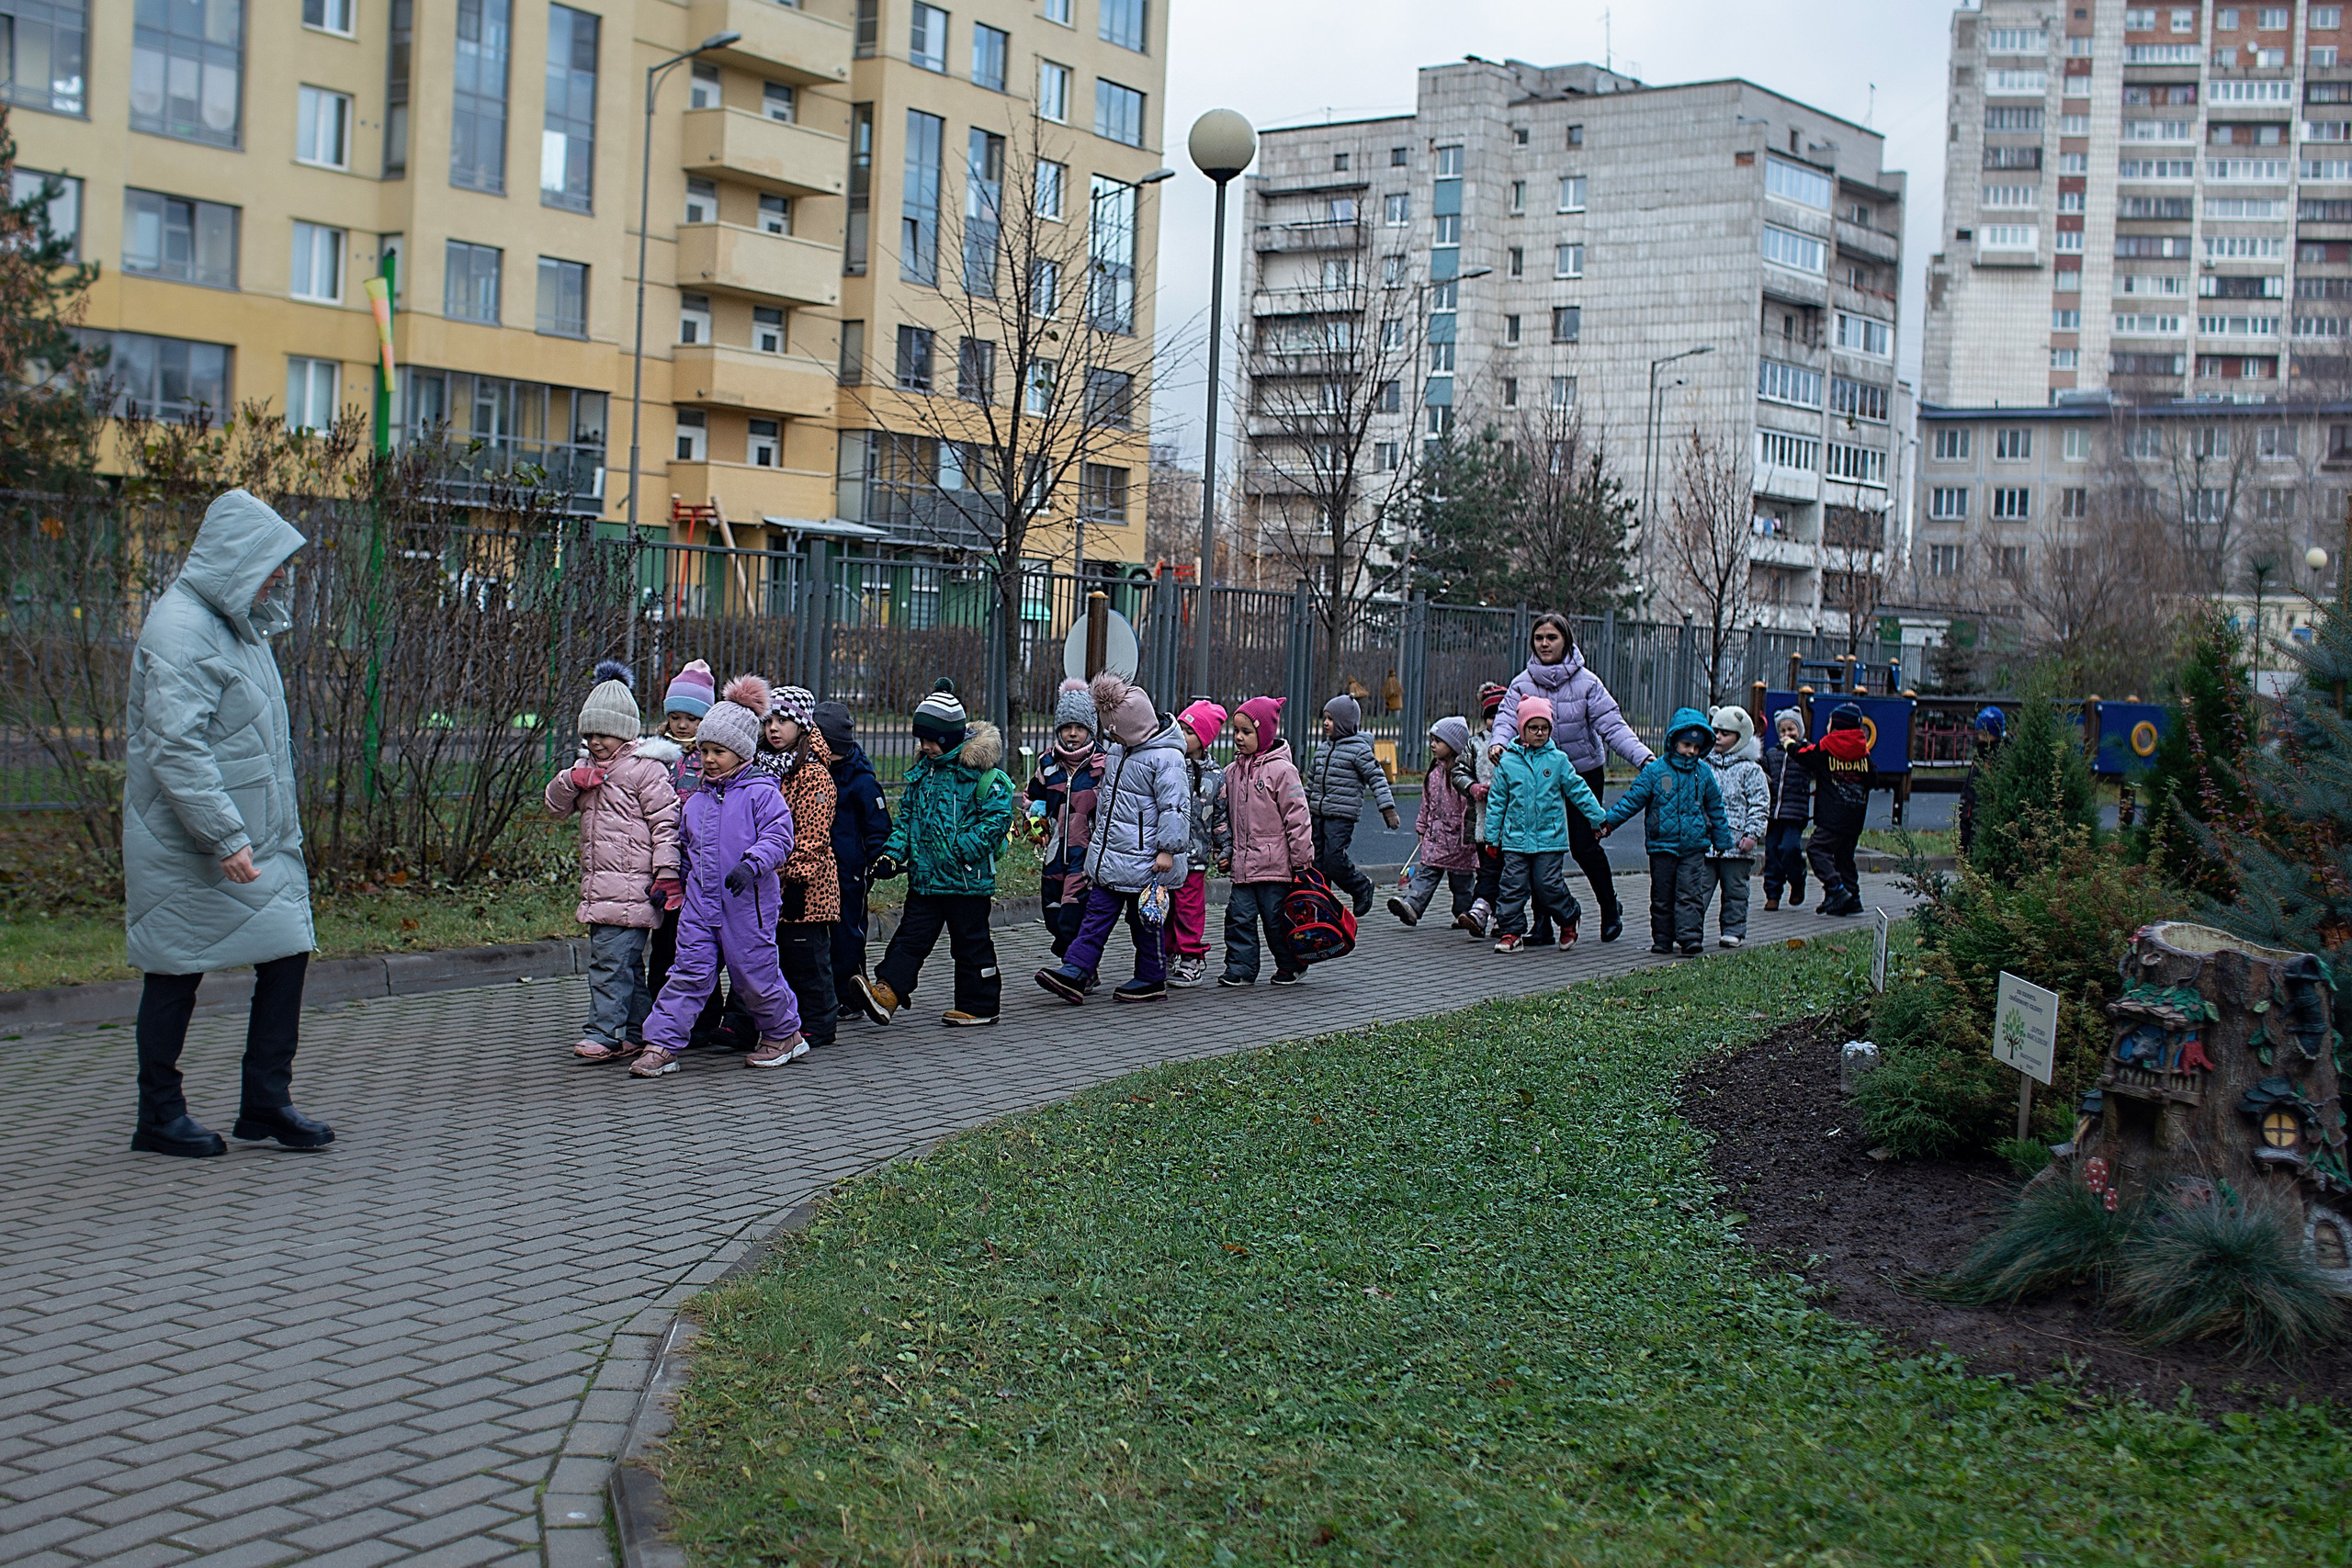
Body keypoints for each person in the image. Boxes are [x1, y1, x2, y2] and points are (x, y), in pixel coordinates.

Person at [122, 490, 329, 1156]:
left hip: (252, 836)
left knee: (286, 951)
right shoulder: (181, 630)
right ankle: (159, 1115)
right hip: (191, 840)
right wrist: (225, 836)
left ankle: (266, 1101)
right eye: (271, 562)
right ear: (235, 559)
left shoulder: (235, 625)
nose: (280, 575)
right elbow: (176, 747)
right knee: (174, 968)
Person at [634, 678, 804, 1077]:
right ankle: (661, 1044)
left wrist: (752, 864)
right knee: (687, 973)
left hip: (747, 906)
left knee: (754, 975)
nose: (709, 759)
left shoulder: (762, 793)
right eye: (704, 750)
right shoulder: (697, 802)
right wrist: (671, 883)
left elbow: (780, 837)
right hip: (700, 906)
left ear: (741, 753)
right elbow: (687, 849)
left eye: (718, 752)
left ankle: (784, 1034)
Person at [854, 681, 1013, 1026]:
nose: (925, 747)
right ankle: (888, 991)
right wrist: (892, 854)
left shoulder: (981, 776)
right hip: (925, 879)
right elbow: (907, 820)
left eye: (932, 740)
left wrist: (959, 850)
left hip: (966, 882)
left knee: (970, 943)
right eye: (921, 740)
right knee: (910, 937)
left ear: (951, 738)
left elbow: (997, 820)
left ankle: (980, 1004)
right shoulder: (923, 775)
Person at [1488, 612, 1654, 942]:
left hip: (1582, 771)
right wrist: (1498, 743)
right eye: (1539, 638)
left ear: (1566, 641)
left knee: (1584, 846)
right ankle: (1542, 925)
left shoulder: (1587, 683)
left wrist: (1643, 758)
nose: (1544, 643)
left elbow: (1613, 726)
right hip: (1536, 775)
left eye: (1552, 637)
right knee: (1535, 846)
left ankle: (1609, 907)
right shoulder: (1522, 683)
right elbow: (1506, 718)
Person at [547, 661, 681, 1064]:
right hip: (601, 886)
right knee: (625, 965)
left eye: (603, 734)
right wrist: (570, 781)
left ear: (623, 732)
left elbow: (666, 824)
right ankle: (639, 1032)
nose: (595, 742)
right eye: (589, 735)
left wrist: (667, 873)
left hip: (633, 887)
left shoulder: (645, 770)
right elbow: (555, 808)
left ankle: (602, 1032)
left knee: (608, 963)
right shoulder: (585, 769)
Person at [1035, 674, 1191, 1004]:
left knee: (1145, 923)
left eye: (1114, 729)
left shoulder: (1166, 758)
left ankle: (1151, 978)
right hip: (1114, 856)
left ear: (1132, 727)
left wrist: (1167, 850)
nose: (1110, 735)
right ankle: (1076, 971)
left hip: (1148, 862)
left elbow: (1175, 808)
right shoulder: (1120, 751)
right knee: (1095, 916)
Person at [722, 684, 837, 1060]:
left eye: (783, 720)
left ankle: (818, 1021)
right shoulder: (757, 768)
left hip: (806, 886)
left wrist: (797, 876)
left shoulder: (813, 773)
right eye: (769, 720)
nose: (773, 728)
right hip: (763, 878)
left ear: (802, 725)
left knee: (805, 957)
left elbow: (813, 832)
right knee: (755, 953)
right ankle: (742, 1022)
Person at [1600, 707, 1733, 956]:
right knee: (1662, 895)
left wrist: (1722, 838)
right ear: (1673, 741)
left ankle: (1690, 938)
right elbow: (1631, 801)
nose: (1691, 751)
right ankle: (1662, 938)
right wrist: (1607, 824)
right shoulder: (1655, 771)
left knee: (1690, 893)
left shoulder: (1703, 773)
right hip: (1662, 845)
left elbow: (1715, 807)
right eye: (1686, 744)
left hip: (1693, 846)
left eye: (1696, 747)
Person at [1483, 700, 1607, 952]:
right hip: (1515, 838)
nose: (1540, 733)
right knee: (1512, 886)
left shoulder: (1558, 760)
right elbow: (1497, 801)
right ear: (1522, 729)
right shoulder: (1508, 763)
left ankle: (1569, 917)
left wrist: (1598, 818)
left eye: (1545, 728)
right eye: (1533, 727)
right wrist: (1491, 838)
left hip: (1550, 838)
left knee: (1547, 885)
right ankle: (1511, 932)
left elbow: (1579, 791)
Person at [639, 658, 718, 1045]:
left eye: (692, 718)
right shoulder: (656, 754)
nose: (682, 725)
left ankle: (706, 1019)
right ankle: (659, 1015)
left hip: (701, 864)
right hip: (665, 861)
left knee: (697, 947)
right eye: (675, 716)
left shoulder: (711, 756)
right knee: (665, 944)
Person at [1218, 696, 1313, 987]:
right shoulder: (1232, 772)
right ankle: (1241, 968)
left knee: (1276, 921)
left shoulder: (1283, 771)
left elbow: (1298, 818)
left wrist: (1302, 861)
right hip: (1243, 866)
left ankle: (1291, 964)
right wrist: (1224, 851)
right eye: (1236, 731)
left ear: (1264, 733)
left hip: (1274, 867)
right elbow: (1224, 817)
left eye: (1246, 732)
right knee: (1238, 918)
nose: (1238, 737)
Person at [1023, 679, 1106, 962]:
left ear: (1090, 729)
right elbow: (1033, 801)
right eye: (1066, 727)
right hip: (1055, 854)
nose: (1072, 734)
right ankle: (1074, 959)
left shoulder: (1101, 765)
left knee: (1074, 914)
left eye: (1079, 728)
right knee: (1053, 914)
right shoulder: (1048, 763)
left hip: (1085, 855)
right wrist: (1037, 827)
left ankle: (1079, 967)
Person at [813, 701, 889, 1010]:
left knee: (848, 933)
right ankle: (822, 993)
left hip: (849, 871)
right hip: (818, 869)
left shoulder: (861, 781)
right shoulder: (813, 774)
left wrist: (878, 858)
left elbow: (877, 826)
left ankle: (851, 994)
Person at [1305, 694, 1399, 917]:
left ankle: (1361, 886)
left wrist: (1387, 809)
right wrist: (1302, 809)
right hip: (1318, 814)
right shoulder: (1322, 750)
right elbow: (1311, 783)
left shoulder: (1359, 750)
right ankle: (1321, 905)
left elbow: (1377, 778)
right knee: (1317, 863)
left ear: (1345, 723)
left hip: (1341, 815)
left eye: (1331, 719)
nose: (1325, 723)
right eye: (1325, 718)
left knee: (1334, 860)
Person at [1390, 716, 1480, 928]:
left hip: (1458, 839)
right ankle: (1412, 905)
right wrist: (1422, 827)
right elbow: (1427, 803)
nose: (1432, 745)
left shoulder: (1462, 774)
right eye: (1432, 740)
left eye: (1438, 741)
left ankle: (1465, 914)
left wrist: (1468, 836)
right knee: (1428, 872)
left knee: (1462, 881)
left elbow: (1469, 808)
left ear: (1454, 746)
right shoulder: (1434, 771)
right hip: (1436, 836)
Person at [1167, 699, 1228, 986]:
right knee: (1164, 907)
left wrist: (1222, 847)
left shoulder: (1215, 777)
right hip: (1167, 854)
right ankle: (1164, 953)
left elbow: (1220, 817)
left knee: (1188, 910)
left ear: (1204, 739)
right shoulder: (1168, 764)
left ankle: (1191, 957)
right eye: (1179, 728)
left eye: (1189, 731)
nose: (1182, 735)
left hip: (1195, 857)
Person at [1797, 703, 1876, 917]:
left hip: (1832, 815)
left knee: (1816, 849)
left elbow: (1805, 755)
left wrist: (1789, 745)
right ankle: (1853, 898)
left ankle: (1836, 888)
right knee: (1844, 857)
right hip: (1855, 816)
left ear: (1836, 726)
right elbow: (1873, 779)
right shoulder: (1863, 753)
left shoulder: (1827, 747)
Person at [1703, 705, 1770, 949]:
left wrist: (1752, 833)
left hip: (1738, 843)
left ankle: (1733, 929)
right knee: (1698, 889)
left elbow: (1760, 804)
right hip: (1706, 842)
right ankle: (1689, 929)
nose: (1718, 737)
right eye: (1716, 732)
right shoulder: (1704, 765)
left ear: (1740, 737)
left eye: (1725, 733)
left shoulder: (1750, 770)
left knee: (1736, 890)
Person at [1464, 681, 1510, 936]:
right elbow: (1460, 771)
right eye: (1490, 717)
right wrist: (1472, 787)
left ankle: (1501, 915)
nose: (1495, 722)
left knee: (1508, 871)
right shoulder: (1475, 744)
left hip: (1511, 823)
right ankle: (1481, 912)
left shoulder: (1517, 744)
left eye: (1500, 715)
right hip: (1483, 820)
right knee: (1487, 868)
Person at [1759, 707, 1811, 911]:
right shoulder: (1772, 754)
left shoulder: (1805, 753)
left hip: (1795, 812)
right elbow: (1763, 772)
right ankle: (1773, 894)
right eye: (1783, 730)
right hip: (1774, 813)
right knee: (1772, 852)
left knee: (1789, 849)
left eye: (1791, 729)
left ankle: (1797, 880)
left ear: (1800, 731)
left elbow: (1816, 766)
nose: (1787, 734)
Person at [1956, 705, 2007, 854]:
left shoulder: (2000, 759)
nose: (1981, 738)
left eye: (1985, 735)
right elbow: (1969, 788)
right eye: (1980, 734)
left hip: (1983, 820)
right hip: (1970, 816)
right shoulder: (1980, 757)